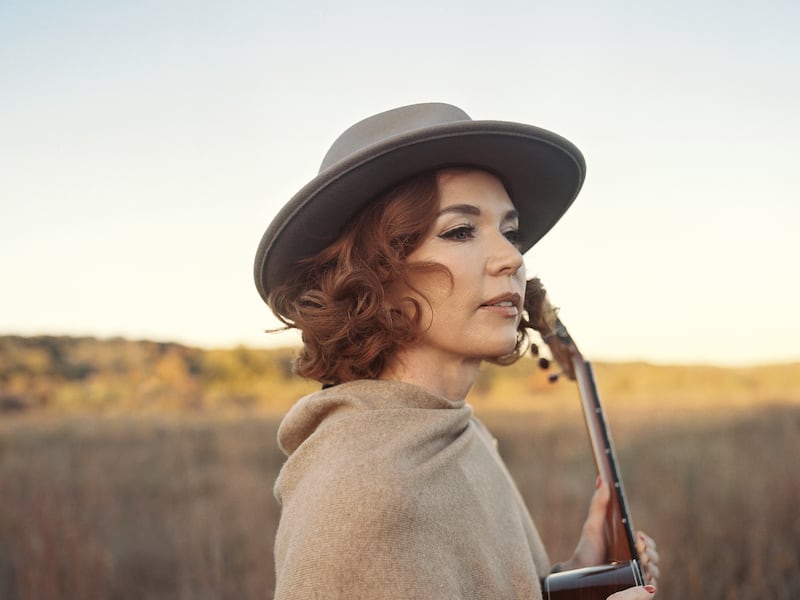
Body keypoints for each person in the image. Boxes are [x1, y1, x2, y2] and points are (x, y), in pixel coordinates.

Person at [254, 103, 660, 599]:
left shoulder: (455, 429)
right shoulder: (361, 494)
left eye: (510, 232)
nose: (512, 257)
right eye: (461, 231)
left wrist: (575, 574)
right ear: (373, 276)